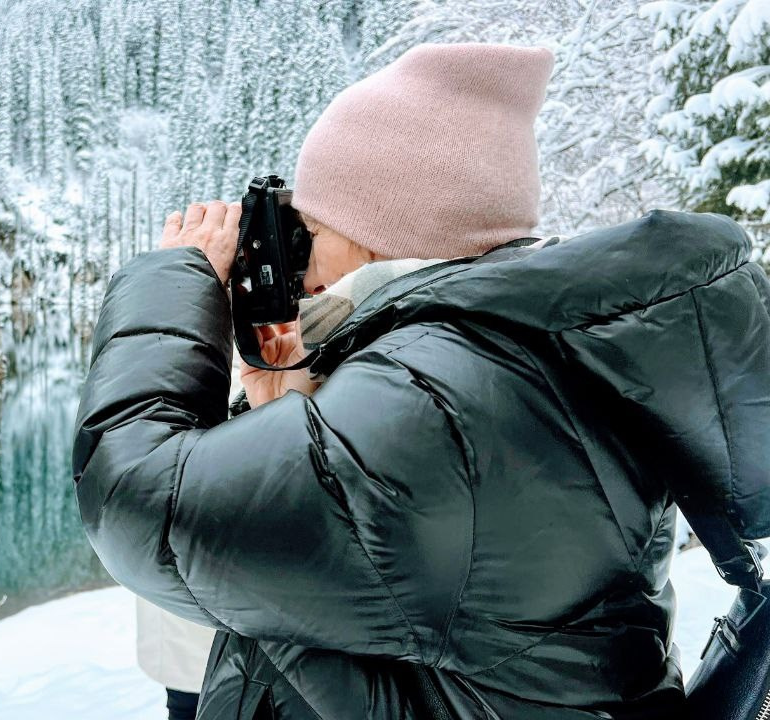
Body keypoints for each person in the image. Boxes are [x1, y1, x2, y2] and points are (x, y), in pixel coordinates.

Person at [72, 42, 770, 719]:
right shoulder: (514, 361)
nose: (301, 268)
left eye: (308, 230)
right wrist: (290, 420)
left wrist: (175, 276)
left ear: (378, 232)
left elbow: (136, 501)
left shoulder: (442, 402)